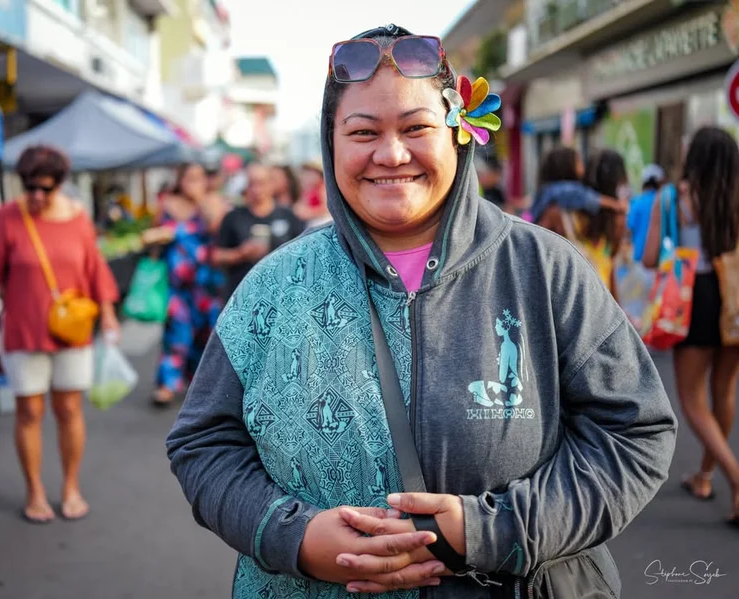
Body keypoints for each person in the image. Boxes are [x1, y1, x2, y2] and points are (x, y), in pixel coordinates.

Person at [167, 24, 676, 598]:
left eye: (416, 128)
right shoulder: (273, 286)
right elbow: (203, 443)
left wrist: (496, 529)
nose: (391, 154)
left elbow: (634, 432)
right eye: (363, 132)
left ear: (458, 134)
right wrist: (297, 539)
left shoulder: (544, 269)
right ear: (330, 141)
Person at [0, 145, 120, 523]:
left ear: (59, 184)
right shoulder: (6, 218)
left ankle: (70, 486)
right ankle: (34, 490)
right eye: (30, 187)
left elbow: (94, 268)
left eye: (45, 188)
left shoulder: (78, 219)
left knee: (69, 408)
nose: (37, 196)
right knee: (28, 411)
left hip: (72, 332)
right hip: (23, 330)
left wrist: (107, 314)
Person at [642, 126, 739, 528]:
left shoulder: (672, 198)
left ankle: (734, 478)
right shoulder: (735, 196)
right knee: (724, 392)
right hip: (734, 296)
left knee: (693, 400)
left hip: (692, 299)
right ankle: (703, 476)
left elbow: (649, 258)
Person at [142, 163, 223, 407]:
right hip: (176, 283)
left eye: (198, 178)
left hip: (206, 283)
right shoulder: (167, 204)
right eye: (188, 178)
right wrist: (157, 239)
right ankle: (167, 385)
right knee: (176, 332)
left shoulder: (213, 202)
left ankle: (200, 385)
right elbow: (152, 237)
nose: (192, 183)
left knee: (206, 336)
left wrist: (201, 201)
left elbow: (218, 230)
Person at [537, 149, 629, 296]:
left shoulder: (559, 214)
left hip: (563, 303)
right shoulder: (616, 221)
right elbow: (610, 268)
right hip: (600, 306)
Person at [213, 162, 306, 302]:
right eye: (251, 184)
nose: (256, 190)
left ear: (271, 184)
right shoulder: (233, 217)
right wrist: (240, 253)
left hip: (280, 296)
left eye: (261, 183)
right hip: (241, 295)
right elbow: (217, 256)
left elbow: (303, 255)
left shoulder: (288, 216)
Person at [532, 146, 625, 224]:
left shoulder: (547, 190)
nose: (583, 165)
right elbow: (585, 197)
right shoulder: (563, 189)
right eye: (578, 161)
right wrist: (614, 204)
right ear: (566, 167)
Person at [626, 164, 665, 262]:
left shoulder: (636, 202)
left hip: (639, 260)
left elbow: (628, 230)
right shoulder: (664, 202)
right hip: (661, 262)